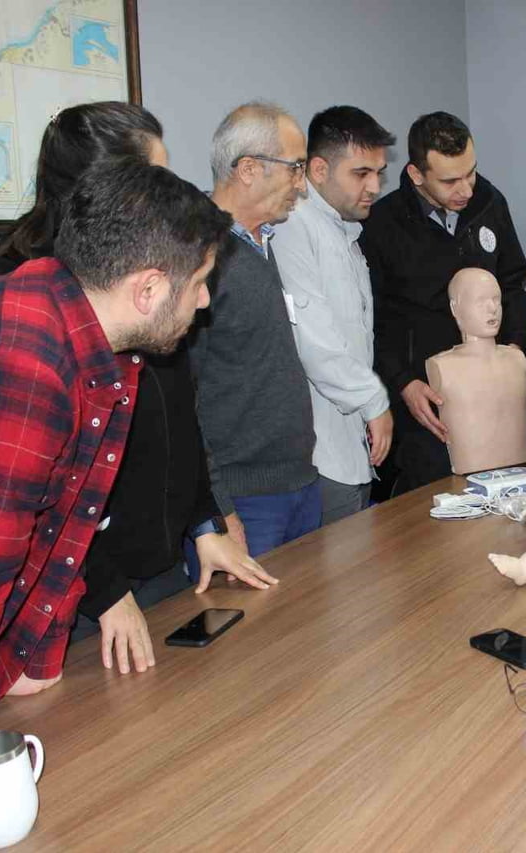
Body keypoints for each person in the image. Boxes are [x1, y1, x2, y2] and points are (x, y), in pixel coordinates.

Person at [0, 159, 231, 798]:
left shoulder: (80, 324)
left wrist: (29, 655)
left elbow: (68, 517)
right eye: (199, 282)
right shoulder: (21, 363)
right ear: (147, 289)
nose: (204, 300)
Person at [0, 102, 276, 677]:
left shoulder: (155, 267)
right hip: (72, 584)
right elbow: (26, 492)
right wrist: (103, 588)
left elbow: (178, 407)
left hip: (155, 555)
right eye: (151, 175)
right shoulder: (19, 290)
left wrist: (204, 521)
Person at [361, 111, 526, 495]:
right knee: (433, 504)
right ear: (416, 175)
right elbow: (373, 316)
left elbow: (514, 280)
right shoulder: (384, 223)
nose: (466, 189)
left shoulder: (488, 202)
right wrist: (403, 382)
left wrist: (516, 349)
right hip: (425, 394)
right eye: (450, 180)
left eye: (470, 172)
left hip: (491, 386)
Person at [188, 102, 321, 561]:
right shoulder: (199, 258)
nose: (302, 184)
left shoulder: (263, 246)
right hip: (243, 500)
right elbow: (185, 396)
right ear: (247, 169)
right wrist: (218, 511)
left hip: (299, 482)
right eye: (295, 168)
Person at [273, 106, 395, 525]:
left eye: (378, 172)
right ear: (319, 169)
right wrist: (373, 401)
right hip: (320, 452)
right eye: (361, 173)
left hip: (350, 444)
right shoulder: (294, 224)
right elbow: (316, 342)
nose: (375, 186)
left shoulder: (344, 230)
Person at [425, 268, 526, 475]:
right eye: (480, 300)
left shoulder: (516, 358)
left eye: (496, 299)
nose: (492, 308)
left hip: (520, 470)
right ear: (455, 308)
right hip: (470, 471)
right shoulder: (441, 366)